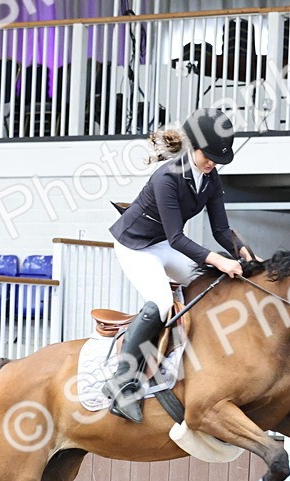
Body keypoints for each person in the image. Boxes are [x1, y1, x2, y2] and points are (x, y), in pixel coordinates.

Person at [105, 107, 254, 422]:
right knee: (160, 302)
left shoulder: (210, 179)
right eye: (209, 156)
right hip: (135, 246)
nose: (213, 164)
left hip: (161, 244)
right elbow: (176, 238)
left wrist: (242, 252)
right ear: (194, 148)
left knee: (214, 279)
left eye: (218, 159)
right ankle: (121, 382)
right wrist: (218, 259)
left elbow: (221, 230)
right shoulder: (167, 177)